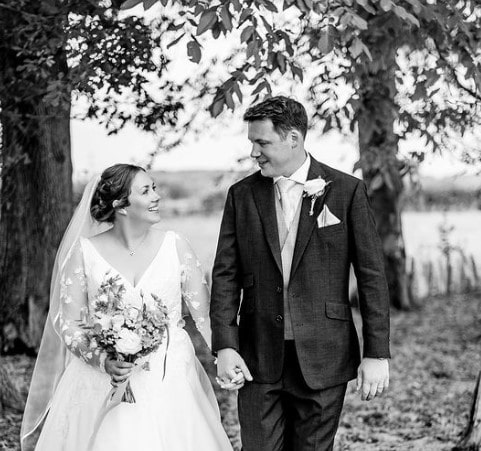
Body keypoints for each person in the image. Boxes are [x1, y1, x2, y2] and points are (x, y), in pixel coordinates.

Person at [210, 96, 390, 451]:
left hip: (325, 355)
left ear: (293, 138)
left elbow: (371, 276)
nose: (254, 152)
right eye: (252, 143)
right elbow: (225, 276)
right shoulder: (241, 196)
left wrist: (377, 353)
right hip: (257, 355)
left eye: (262, 143)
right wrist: (225, 346)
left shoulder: (347, 191)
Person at [21, 164, 233, 451]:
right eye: (146, 191)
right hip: (101, 379)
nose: (157, 196)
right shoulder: (83, 252)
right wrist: (103, 360)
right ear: (120, 205)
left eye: (154, 188)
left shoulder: (176, 246)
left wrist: (225, 356)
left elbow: (205, 317)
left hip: (170, 379)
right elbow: (69, 324)